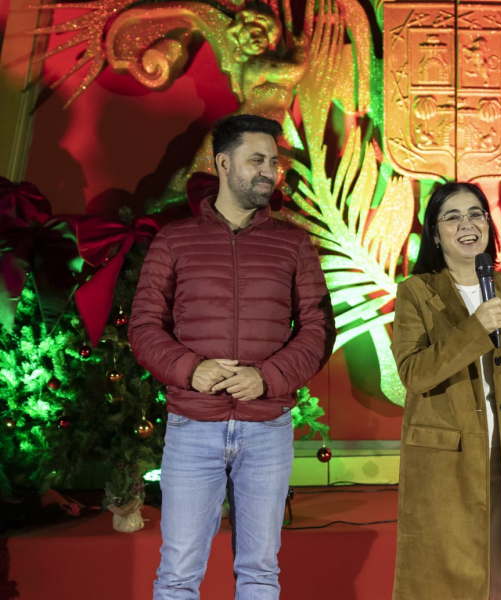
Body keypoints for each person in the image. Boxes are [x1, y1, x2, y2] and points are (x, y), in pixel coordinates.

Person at [129, 114, 335, 599]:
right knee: (178, 572)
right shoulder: (174, 240)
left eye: (273, 163)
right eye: (256, 160)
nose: (269, 171)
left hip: (268, 429)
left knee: (260, 571)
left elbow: (319, 328)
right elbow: (143, 327)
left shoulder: (293, 243)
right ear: (223, 163)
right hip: (191, 427)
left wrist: (269, 378)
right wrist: (191, 370)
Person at [391, 182, 501, 600]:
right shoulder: (415, 292)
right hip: (444, 457)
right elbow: (414, 373)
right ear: (434, 233)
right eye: (453, 217)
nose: (467, 224)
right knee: (442, 574)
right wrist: (475, 328)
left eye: (476, 214)